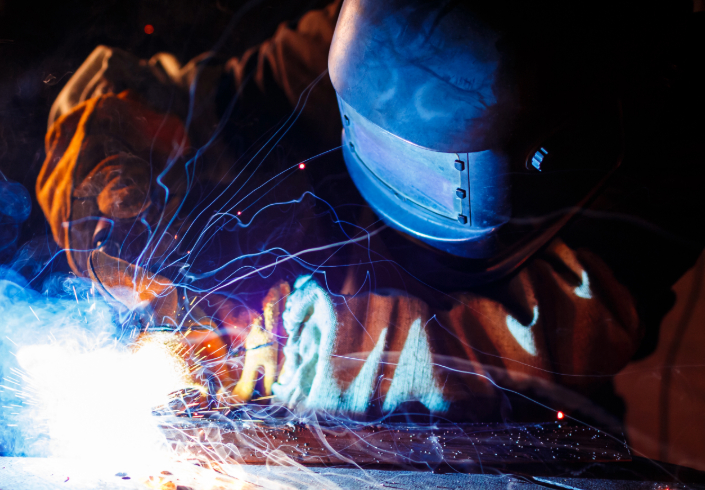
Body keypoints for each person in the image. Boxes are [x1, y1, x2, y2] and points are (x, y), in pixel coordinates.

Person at [35, 0, 704, 427]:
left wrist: (285, 347)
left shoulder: (663, 126)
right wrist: (114, 134)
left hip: (509, 453)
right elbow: (218, 101)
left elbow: (540, 345)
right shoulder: (390, 24)